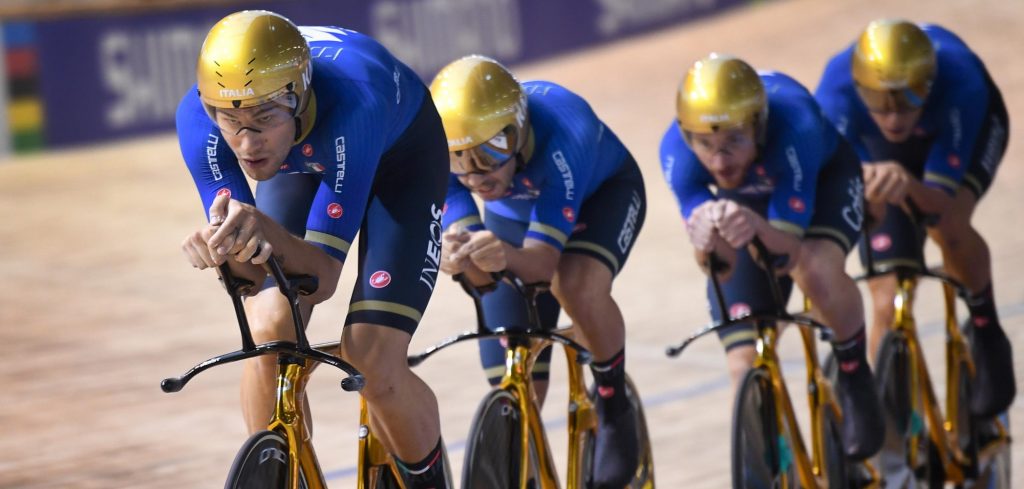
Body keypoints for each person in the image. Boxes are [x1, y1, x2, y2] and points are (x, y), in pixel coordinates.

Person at [175, 11, 452, 487]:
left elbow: (321, 277)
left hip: (398, 158)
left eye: (263, 120)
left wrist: (263, 232)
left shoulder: (354, 103)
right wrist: (223, 248)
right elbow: (252, 276)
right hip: (301, 161)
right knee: (268, 327)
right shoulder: (199, 120)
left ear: (300, 101)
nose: (246, 143)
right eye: (231, 122)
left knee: (372, 359)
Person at [431, 55, 646, 487]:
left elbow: (542, 268)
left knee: (576, 286)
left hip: (599, 199)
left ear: (519, 129)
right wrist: (460, 257)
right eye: (460, 159)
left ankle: (613, 405)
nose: (476, 175)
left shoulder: (564, 132)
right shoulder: (446, 156)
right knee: (511, 375)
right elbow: (484, 276)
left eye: (491, 151)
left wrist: (502, 256)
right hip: (515, 217)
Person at [660, 53, 885, 460]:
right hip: (749, 208)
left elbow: (789, 249)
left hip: (823, 187)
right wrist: (708, 238)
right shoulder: (675, 152)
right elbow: (715, 265)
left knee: (814, 270)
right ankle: (763, 462)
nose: (720, 160)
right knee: (742, 359)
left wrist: (753, 224)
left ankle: (854, 372)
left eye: (733, 142)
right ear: (687, 135)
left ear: (759, 126)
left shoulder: (794, 125)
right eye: (706, 146)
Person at [816, 19, 1015, 419]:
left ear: (929, 82)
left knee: (948, 226)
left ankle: (986, 325)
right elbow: (832, 184)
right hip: (878, 153)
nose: (893, 116)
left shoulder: (960, 80)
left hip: (960, 132)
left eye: (907, 99)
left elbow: (938, 204)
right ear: (858, 89)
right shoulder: (834, 92)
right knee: (886, 296)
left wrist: (908, 184)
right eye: (879, 101)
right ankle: (894, 433)